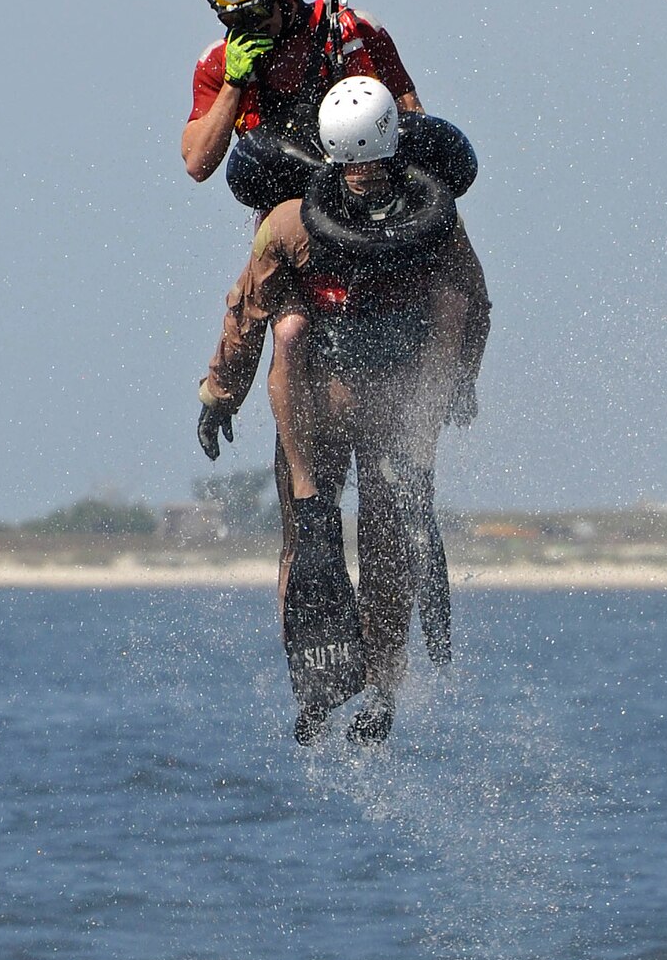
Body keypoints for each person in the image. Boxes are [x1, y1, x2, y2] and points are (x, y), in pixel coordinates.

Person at [197, 77, 489, 746]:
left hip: (377, 404)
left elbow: (467, 301)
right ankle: (337, 687)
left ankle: (366, 692)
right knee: (332, 543)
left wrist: (219, 394)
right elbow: (251, 315)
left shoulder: (410, 219)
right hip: (339, 406)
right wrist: (221, 393)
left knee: (355, 542)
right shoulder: (296, 226)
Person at [181, 0, 422, 197]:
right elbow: (197, 164)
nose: (250, 27)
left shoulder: (354, 30)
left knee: (449, 225)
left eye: (257, 13)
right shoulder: (218, 62)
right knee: (286, 234)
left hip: (380, 184)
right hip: (295, 203)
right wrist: (233, 83)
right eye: (233, 19)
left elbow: (414, 118)